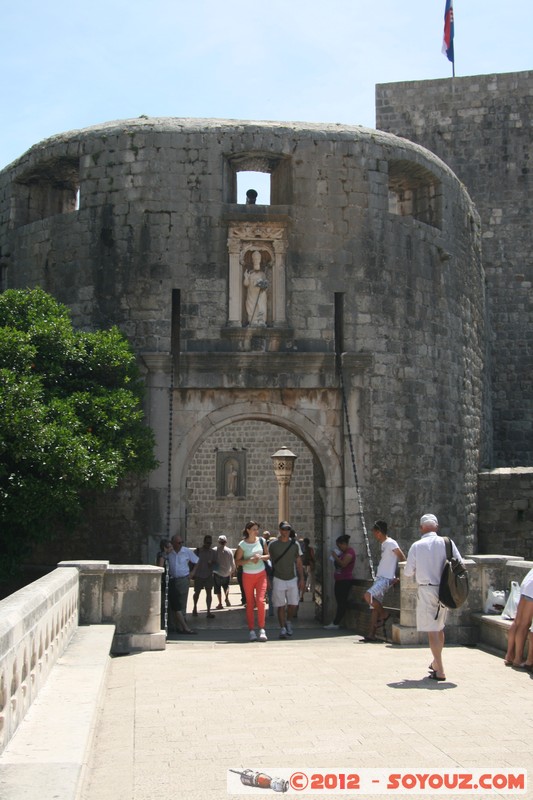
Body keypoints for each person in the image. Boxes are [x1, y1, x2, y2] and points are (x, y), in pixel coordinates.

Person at [403, 513, 463, 681]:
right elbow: (459, 563)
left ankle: (440, 669)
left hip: (427, 589)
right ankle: (436, 664)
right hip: (445, 589)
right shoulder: (447, 542)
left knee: (432, 631)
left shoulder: (417, 546)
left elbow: (408, 572)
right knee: (439, 627)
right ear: (436, 527)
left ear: (421, 528)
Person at [363, 520, 406, 640]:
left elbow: (401, 557)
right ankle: (371, 634)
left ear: (379, 532)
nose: (374, 535)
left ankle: (384, 614)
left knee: (368, 596)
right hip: (380, 577)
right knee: (374, 607)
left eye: (374, 533)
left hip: (385, 578)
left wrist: (400, 576)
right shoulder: (384, 544)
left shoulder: (391, 543)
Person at [234, 521, 270, 642]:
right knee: (250, 603)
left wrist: (261, 557)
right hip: (248, 575)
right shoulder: (242, 545)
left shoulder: (262, 541)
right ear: (248, 530)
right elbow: (237, 561)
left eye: (257, 529)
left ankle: (262, 628)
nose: (256, 531)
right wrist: (249, 560)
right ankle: (251, 630)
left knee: (260, 601)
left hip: (261, 574)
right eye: (254, 529)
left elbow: (268, 555)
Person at [269, 521, 305, 639]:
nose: (286, 532)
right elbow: (268, 560)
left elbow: (299, 563)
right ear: (280, 530)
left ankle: (288, 621)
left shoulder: (295, 545)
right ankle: (282, 628)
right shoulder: (273, 545)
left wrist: (302, 578)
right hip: (278, 578)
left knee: (293, 604)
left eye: (288, 529)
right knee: (280, 605)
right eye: (284, 529)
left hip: (292, 578)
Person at [167, 533, 199, 634]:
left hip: (183, 579)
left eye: (181, 542)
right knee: (172, 604)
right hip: (171, 580)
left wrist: (193, 572)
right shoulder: (169, 552)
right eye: (178, 542)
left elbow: (197, 561)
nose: (180, 544)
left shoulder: (186, 551)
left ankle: (182, 626)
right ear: (173, 543)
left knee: (182, 603)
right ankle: (174, 626)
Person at [323, 534, 356, 630]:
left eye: (339, 545)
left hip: (345, 580)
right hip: (339, 580)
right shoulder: (343, 553)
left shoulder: (350, 552)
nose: (339, 548)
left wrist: (335, 557)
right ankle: (336, 622)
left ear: (344, 544)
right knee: (339, 601)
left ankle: (336, 622)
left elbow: (343, 564)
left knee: (342, 602)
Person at [504, 566, 533, 670]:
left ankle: (509, 655)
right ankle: (518, 659)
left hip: (526, 584)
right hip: (532, 590)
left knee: (517, 622)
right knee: (525, 624)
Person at [192, 535, 216, 618]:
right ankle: (194, 607)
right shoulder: (197, 551)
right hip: (199, 575)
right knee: (197, 593)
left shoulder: (213, 552)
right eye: (207, 542)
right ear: (204, 542)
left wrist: (212, 563)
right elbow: (191, 562)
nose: (208, 544)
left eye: (210, 543)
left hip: (208, 575)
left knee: (209, 593)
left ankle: (208, 611)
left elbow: (216, 564)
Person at [243, 249, 268, 326]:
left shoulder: (262, 274)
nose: (256, 260)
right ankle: (252, 321)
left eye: (258, 259)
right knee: (251, 307)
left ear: (260, 260)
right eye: (255, 259)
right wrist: (246, 277)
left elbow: (266, 285)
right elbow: (246, 284)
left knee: (261, 307)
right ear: (253, 260)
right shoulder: (250, 273)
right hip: (251, 295)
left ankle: (261, 321)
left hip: (261, 295)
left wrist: (263, 285)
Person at [213, 534, 236, 609]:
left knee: (218, 588)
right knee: (226, 586)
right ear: (226, 542)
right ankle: (226, 598)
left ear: (218, 542)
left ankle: (220, 603)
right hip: (227, 573)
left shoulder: (214, 550)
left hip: (217, 573)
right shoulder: (229, 551)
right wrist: (232, 571)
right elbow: (232, 562)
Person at [155, 538, 172, 629]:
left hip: (166, 581)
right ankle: (162, 625)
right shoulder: (162, 556)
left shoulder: (165, 555)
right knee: (163, 604)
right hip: (163, 583)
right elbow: (160, 568)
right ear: (165, 548)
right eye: (169, 547)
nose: (171, 548)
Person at [300, 537, 315, 601]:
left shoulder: (301, 549)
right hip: (308, 565)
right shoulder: (310, 549)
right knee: (309, 580)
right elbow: (313, 557)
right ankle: (310, 593)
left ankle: (302, 596)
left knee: (304, 579)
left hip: (303, 565)